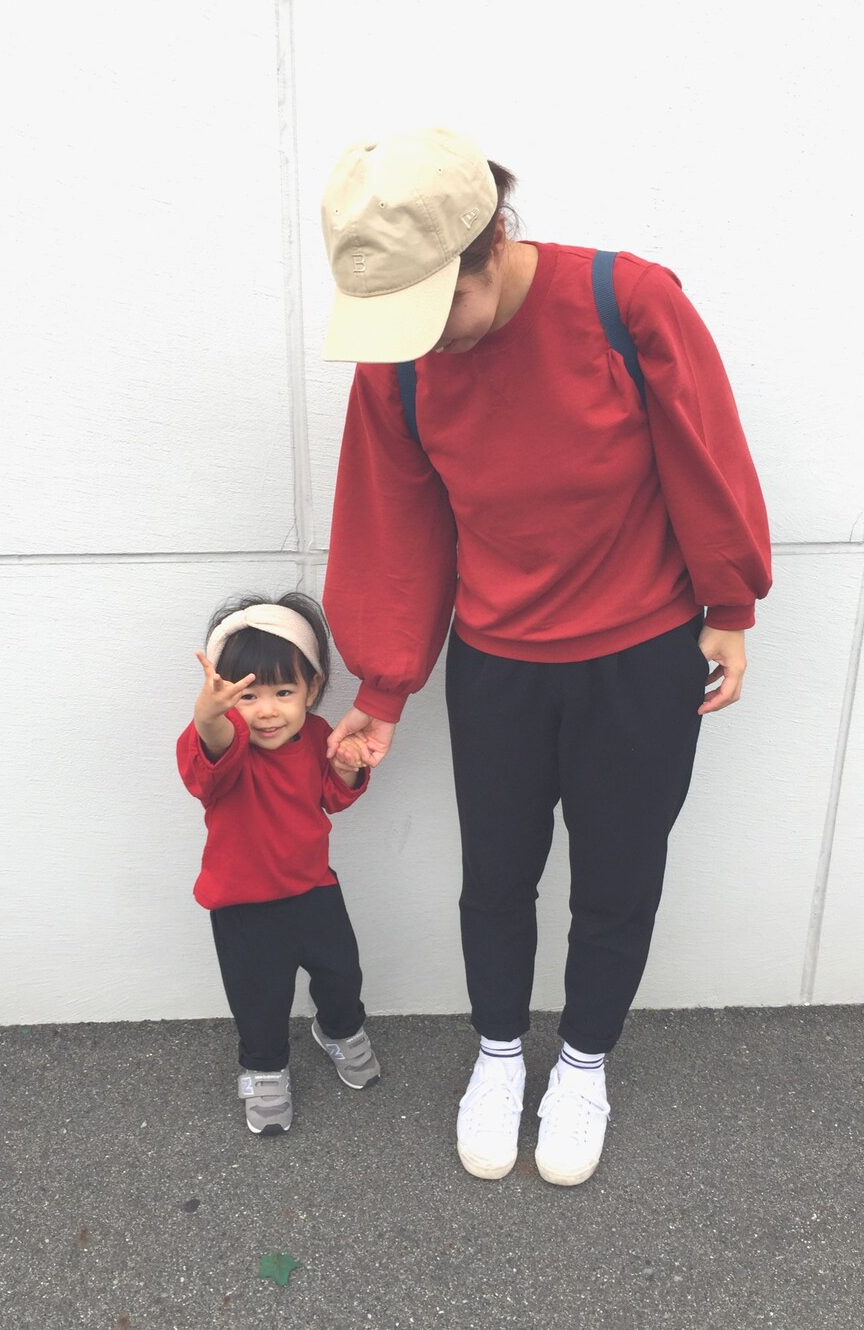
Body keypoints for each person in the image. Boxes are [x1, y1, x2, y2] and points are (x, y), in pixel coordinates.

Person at [318, 128, 771, 1185]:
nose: (424, 342)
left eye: (437, 312)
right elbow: (395, 524)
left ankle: (582, 1063)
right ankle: (497, 1054)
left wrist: (729, 603)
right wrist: (383, 687)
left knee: (619, 875)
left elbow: (703, 449)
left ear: (489, 246)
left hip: (640, 655)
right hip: (498, 664)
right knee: (496, 877)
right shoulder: (400, 366)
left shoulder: (625, 304)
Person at [176, 591, 380, 1136]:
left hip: (314, 889)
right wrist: (208, 716)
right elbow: (212, 748)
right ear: (225, 699)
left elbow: (333, 797)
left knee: (342, 973)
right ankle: (264, 1068)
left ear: (311, 688)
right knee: (259, 997)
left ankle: (338, 1029)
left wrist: (347, 766)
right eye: (248, 695)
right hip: (242, 905)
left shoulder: (315, 737)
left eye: (284, 692)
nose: (267, 710)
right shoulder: (226, 744)